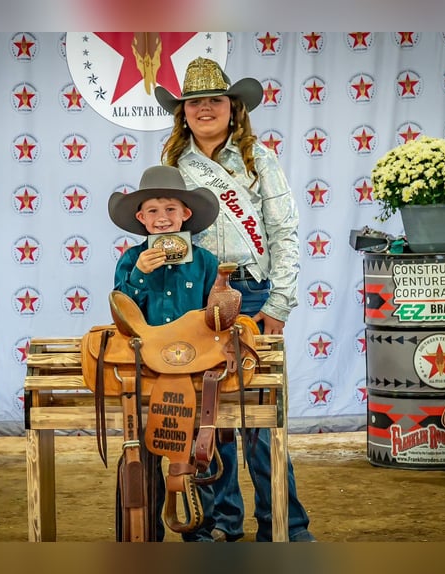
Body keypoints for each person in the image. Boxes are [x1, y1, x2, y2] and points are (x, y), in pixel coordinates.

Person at [154, 57, 316, 542]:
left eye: (214, 100)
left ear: (233, 108)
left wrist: (278, 305)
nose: (205, 108)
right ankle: (222, 523)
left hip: (252, 294)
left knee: (261, 421)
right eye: (194, 102)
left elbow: (284, 232)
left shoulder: (258, 160)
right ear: (183, 112)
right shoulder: (173, 168)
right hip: (194, 296)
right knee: (209, 417)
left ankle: (283, 523)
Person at [109, 164, 221, 541]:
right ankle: (142, 534)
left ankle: (202, 531)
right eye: (153, 211)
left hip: (192, 362)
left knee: (199, 447)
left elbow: (212, 315)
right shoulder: (129, 260)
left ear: (186, 214)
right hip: (146, 362)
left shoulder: (205, 261)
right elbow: (123, 311)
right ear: (141, 218)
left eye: (171, 209)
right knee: (140, 449)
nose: (162, 218)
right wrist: (140, 273)